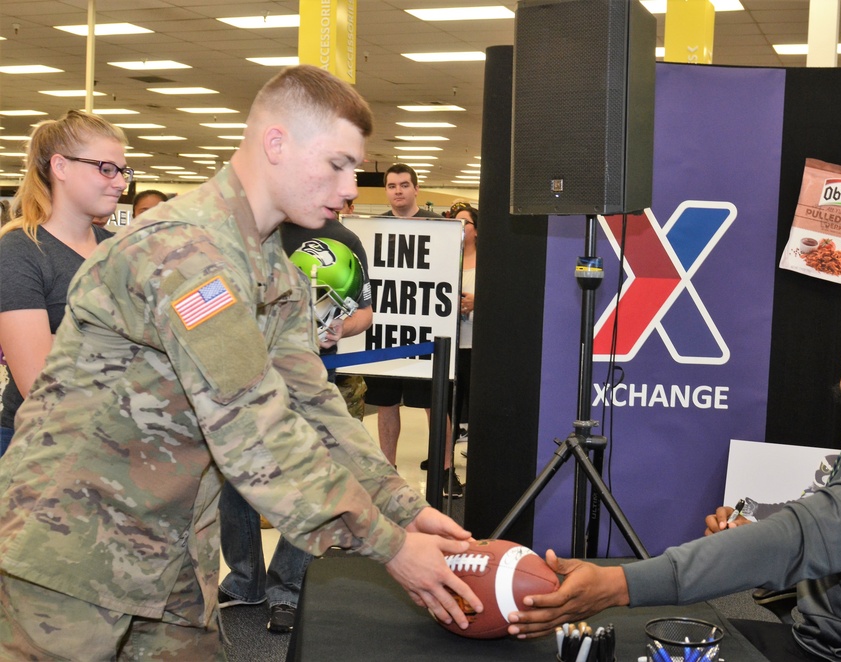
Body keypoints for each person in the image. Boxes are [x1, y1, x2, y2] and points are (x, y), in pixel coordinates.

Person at [0, 65, 482, 659]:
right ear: (276, 143)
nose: (353, 186)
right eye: (338, 164)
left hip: (170, 549)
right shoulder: (186, 251)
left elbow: (311, 404)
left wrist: (403, 505)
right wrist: (388, 545)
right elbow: (253, 426)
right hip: (72, 545)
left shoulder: (269, 268)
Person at [507, 298, 841, 662]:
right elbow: (830, 536)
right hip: (836, 642)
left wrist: (618, 584)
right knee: (650, 644)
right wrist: (754, 537)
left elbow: (797, 540)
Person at [216, 198, 374, 633]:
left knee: (307, 480)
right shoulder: (260, 232)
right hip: (246, 376)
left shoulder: (345, 239)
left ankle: (287, 588)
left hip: (308, 379)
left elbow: (365, 310)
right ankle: (244, 579)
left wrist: (341, 326)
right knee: (236, 478)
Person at [0, 110, 124, 457]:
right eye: (106, 168)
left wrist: (66, 341)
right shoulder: (20, 251)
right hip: (38, 446)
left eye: (122, 170)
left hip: (114, 442)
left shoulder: (118, 249)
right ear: (61, 167)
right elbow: (37, 380)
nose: (120, 182)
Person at [366, 163, 463, 498]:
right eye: (391, 186)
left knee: (434, 405)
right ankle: (387, 472)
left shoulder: (439, 227)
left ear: (416, 189)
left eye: (404, 185)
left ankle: (446, 469)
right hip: (386, 334)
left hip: (425, 334)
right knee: (385, 403)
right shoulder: (373, 229)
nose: (398, 191)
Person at [450, 202, 477, 452]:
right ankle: (444, 457)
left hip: (475, 345)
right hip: (451, 345)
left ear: (476, 230)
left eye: (465, 222)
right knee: (450, 405)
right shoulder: (449, 258)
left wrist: (476, 302)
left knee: (475, 401)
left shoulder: (489, 262)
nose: (460, 225)